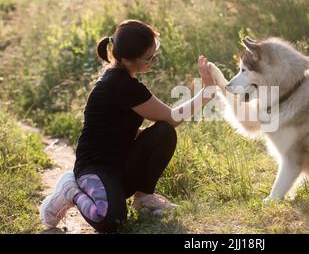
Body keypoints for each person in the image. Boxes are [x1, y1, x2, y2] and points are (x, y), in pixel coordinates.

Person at [39, 19, 216, 233]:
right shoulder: (120, 85)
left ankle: (143, 198)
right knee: (111, 221)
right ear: (125, 59)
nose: (154, 61)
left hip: (120, 165)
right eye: (149, 58)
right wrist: (206, 92)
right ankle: (71, 191)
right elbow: (173, 117)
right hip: (95, 169)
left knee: (163, 133)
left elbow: (146, 125)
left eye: (155, 53)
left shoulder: (125, 80)